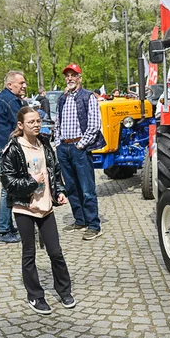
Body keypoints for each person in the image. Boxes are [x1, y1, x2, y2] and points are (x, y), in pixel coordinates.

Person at [1, 106, 74, 315]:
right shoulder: (13, 148)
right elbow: (8, 182)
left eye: (38, 121)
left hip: (45, 206)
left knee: (55, 252)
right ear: (21, 125)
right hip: (24, 207)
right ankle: (35, 296)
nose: (36, 125)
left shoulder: (45, 144)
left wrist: (59, 191)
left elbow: (55, 171)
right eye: (31, 122)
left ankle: (64, 290)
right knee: (29, 253)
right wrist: (32, 182)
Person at [55, 63, 105, 240]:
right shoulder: (62, 98)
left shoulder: (88, 97)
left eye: (73, 75)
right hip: (64, 147)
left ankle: (94, 225)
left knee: (87, 188)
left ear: (79, 78)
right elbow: (58, 122)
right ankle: (80, 220)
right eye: (67, 75)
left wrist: (81, 144)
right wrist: (58, 143)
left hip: (79, 147)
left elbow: (94, 124)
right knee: (71, 187)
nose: (69, 78)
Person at [0, 71, 28, 244]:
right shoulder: (9, 100)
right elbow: (22, 122)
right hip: (0, 149)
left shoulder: (9, 98)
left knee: (9, 188)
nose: (24, 85)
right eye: (21, 83)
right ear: (10, 85)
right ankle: (3, 232)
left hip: (0, 148)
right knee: (8, 189)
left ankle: (8, 227)